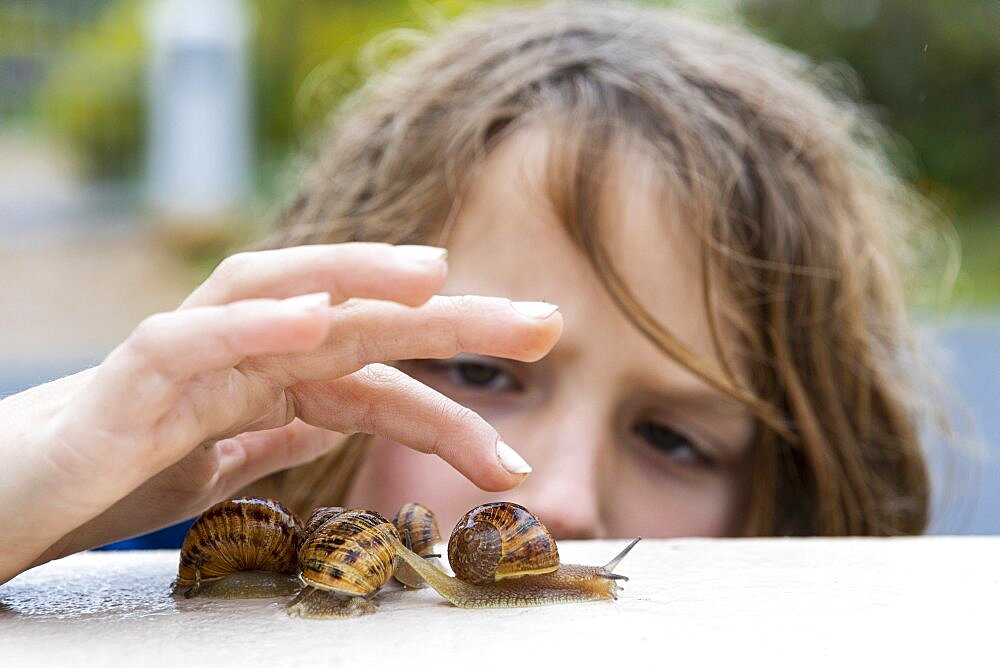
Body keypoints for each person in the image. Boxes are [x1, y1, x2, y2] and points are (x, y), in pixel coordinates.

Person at [0, 1, 946, 585]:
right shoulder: (126, 549)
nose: (565, 500)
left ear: (785, 502)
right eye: (483, 373)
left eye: (674, 439)